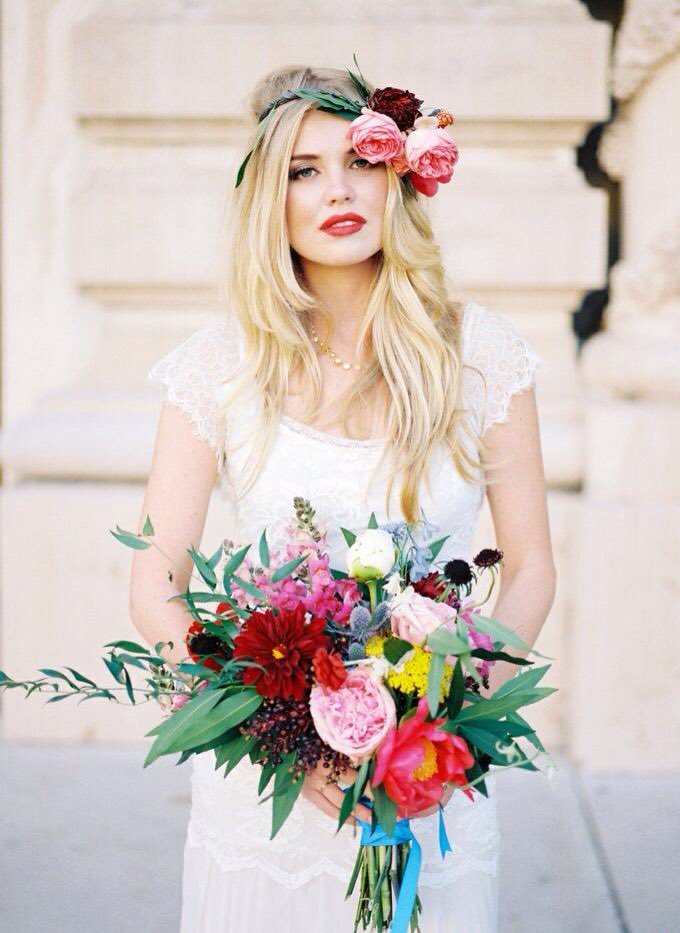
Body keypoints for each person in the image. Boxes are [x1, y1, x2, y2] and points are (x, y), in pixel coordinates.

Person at [129, 63, 556, 933]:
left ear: (397, 176)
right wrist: (277, 732)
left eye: (360, 161)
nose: (338, 190)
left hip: (429, 780)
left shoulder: (479, 354)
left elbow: (531, 569)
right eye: (304, 170)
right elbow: (153, 581)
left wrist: (445, 727)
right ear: (269, 197)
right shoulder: (219, 367)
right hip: (269, 791)